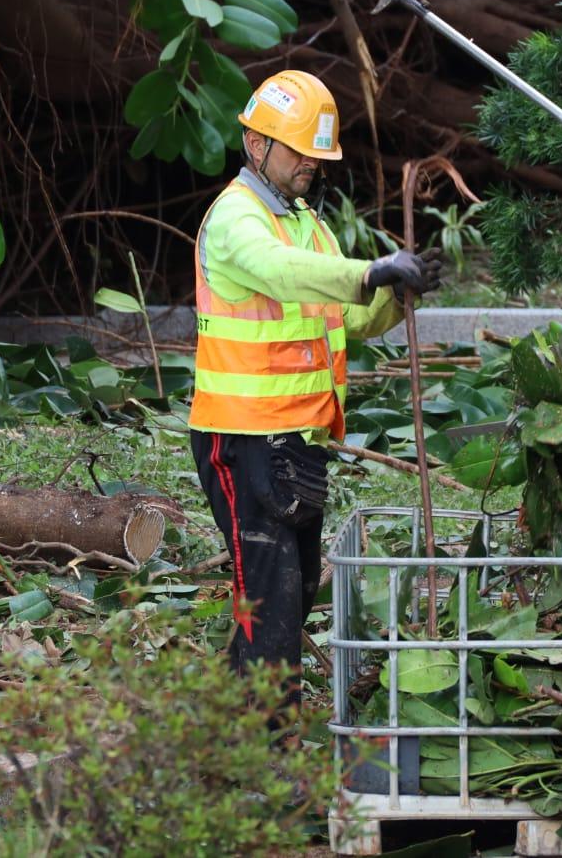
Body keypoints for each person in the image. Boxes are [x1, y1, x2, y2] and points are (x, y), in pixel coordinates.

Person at [190, 69, 442, 699]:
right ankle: (267, 753)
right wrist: (370, 269)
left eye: (316, 154)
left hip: (298, 440)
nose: (310, 165)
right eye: (299, 151)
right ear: (257, 145)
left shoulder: (306, 224)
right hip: (243, 437)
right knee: (271, 599)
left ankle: (229, 724)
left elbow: (351, 317)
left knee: (293, 591)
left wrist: (394, 297)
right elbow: (280, 274)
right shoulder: (234, 219)